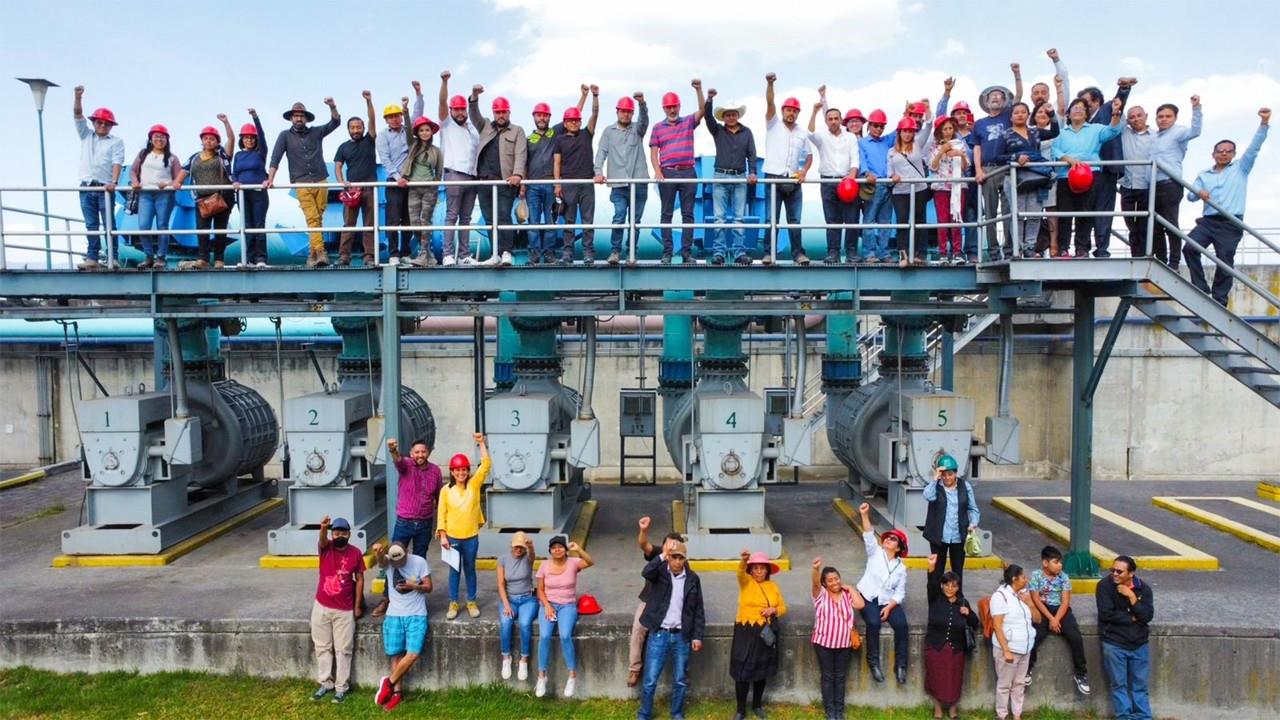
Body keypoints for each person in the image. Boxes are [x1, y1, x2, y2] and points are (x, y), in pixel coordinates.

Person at [1184, 109, 1270, 306]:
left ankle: (1219, 298)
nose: (1223, 154)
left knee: (1225, 261)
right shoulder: (1204, 174)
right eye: (1219, 151)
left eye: (1228, 151)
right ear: (1213, 154)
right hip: (1208, 222)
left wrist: (1264, 123)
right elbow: (1190, 195)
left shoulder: (1241, 168)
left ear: (1233, 154)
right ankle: (1200, 287)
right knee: (1189, 248)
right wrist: (1199, 193)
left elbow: (1254, 148)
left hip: (1230, 222)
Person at [266, 99, 341, 267]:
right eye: (296, 116)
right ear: (291, 118)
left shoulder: (316, 132)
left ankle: (312, 254)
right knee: (312, 217)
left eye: (301, 116)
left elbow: (336, 122)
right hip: (301, 181)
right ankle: (321, 253)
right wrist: (271, 178)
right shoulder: (284, 136)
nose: (299, 118)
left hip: (321, 180)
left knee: (317, 217)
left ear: (306, 119)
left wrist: (332, 106)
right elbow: (275, 158)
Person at [637, 540, 705, 720]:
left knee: (680, 680)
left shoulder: (693, 579)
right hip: (659, 634)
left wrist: (697, 636)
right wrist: (661, 555)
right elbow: (646, 572)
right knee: (650, 680)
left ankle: (676, 713)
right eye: (673, 557)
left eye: (680, 558)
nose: (676, 561)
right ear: (668, 558)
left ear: (685, 560)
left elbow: (698, 610)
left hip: (682, 636)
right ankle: (644, 713)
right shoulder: (659, 573)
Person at [1051, 97, 1124, 257]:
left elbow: (1112, 131)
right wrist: (1067, 159)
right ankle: (1063, 247)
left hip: (1090, 175)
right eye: (1074, 108)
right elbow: (1054, 150)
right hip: (1065, 176)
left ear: (1086, 114)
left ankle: (1081, 248)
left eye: (1081, 108)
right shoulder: (1060, 133)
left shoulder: (1096, 129)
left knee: (1085, 213)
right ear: (1068, 114)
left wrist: (1116, 114)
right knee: (1065, 213)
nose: (1077, 110)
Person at [524, 89, 587, 265]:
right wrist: (523, 185)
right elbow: (523, 162)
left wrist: (584, 95)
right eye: (539, 115)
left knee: (551, 222)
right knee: (533, 222)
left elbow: (573, 116)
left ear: (549, 117)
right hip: (532, 186)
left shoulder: (555, 133)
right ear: (534, 117)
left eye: (545, 115)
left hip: (551, 185)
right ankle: (534, 256)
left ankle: (550, 254)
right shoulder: (528, 139)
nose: (542, 118)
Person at [990, 102, 1059, 257]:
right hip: (1016, 179)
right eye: (1016, 112)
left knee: (1035, 215)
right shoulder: (1005, 135)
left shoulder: (1034, 132)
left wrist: (1051, 114)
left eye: (1023, 112)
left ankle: (1030, 247)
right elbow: (996, 157)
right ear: (1011, 117)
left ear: (1028, 115)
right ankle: (1019, 248)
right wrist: (1015, 157)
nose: (1020, 115)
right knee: (1018, 215)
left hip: (1036, 177)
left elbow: (1054, 132)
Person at [970, 64, 1025, 257]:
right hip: (987, 169)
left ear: (1004, 100)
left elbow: (1018, 96)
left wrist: (1017, 75)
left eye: (999, 95)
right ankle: (993, 251)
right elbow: (976, 148)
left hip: (1007, 167)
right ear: (986, 101)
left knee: (1010, 210)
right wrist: (978, 169)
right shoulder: (979, 124)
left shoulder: (1008, 116)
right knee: (991, 213)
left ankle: (1010, 249)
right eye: (991, 95)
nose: (995, 97)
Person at [650, 80, 706, 264]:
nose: (672, 110)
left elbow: (703, 110)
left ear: (679, 106)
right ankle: (667, 252)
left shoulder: (688, 122)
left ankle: (686, 253)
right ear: (664, 109)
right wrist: (657, 171)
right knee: (666, 213)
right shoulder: (658, 128)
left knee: (688, 214)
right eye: (668, 107)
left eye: (674, 107)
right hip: (668, 173)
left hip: (688, 171)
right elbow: (653, 151)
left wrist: (698, 89)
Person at [309, 515, 364, 704]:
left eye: (343, 533)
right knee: (322, 647)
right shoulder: (326, 549)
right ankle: (325, 683)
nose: (339, 536)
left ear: (349, 534)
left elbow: (360, 579)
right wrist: (323, 528)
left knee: (343, 649)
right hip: (322, 605)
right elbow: (322, 541)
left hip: (345, 609)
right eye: (336, 532)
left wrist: (357, 606)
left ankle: (341, 687)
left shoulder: (356, 553)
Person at [1079, 79, 1138, 257]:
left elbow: (1119, 100)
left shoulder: (1106, 110)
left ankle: (1102, 248)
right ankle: (1083, 248)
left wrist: (1124, 88)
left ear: (1097, 101)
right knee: (1083, 211)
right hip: (1085, 172)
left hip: (1106, 170)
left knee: (1104, 211)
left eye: (1086, 103)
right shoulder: (1080, 120)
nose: (1083, 107)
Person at [471, 87, 528, 266]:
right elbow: (473, 114)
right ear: (493, 113)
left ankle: (506, 252)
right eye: (497, 112)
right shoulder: (485, 126)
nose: (500, 115)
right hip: (484, 181)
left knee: (504, 216)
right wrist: (474, 97)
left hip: (505, 182)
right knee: (489, 219)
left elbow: (521, 153)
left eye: (503, 111)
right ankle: (494, 253)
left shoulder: (517, 130)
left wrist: (518, 174)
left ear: (509, 112)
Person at [853, 502, 909, 684]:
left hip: (887, 600)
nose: (888, 540)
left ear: (899, 548)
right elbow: (869, 535)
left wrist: (890, 606)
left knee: (901, 625)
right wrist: (864, 515)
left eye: (893, 539)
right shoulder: (875, 553)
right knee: (873, 622)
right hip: (868, 596)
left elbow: (900, 593)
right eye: (887, 537)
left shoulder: (901, 568)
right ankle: (873, 661)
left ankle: (901, 665)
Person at [371, 542, 431, 711]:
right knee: (396, 655)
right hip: (394, 614)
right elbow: (381, 560)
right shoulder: (389, 561)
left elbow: (429, 587)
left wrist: (415, 586)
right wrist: (378, 552)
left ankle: (388, 683)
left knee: (413, 654)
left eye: (402, 560)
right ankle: (397, 694)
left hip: (417, 614)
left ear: (406, 552)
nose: (398, 564)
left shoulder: (419, 562)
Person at [437, 432, 490, 619]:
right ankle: (453, 602)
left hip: (471, 536)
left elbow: (486, 465)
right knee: (454, 571)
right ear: (452, 472)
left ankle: (471, 601)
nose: (461, 473)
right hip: (452, 537)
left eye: (464, 470)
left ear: (468, 471)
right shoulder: (445, 490)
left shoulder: (474, 485)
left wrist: (481, 443)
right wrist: (443, 535)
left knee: (470, 569)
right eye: (457, 470)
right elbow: (441, 513)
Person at [762, 73, 813, 265]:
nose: (791, 113)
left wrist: (804, 172)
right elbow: (769, 103)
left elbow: (809, 156)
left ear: (798, 113)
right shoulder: (773, 124)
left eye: (794, 111)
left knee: (794, 220)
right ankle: (769, 254)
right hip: (772, 178)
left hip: (793, 180)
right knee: (771, 219)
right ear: (782, 111)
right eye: (788, 110)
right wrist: (770, 84)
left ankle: (798, 254)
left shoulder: (802, 133)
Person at [73, 85, 126, 270]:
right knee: (91, 224)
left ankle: (114, 257)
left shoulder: (116, 142)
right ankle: (92, 257)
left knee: (109, 225)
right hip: (87, 187)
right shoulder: (86, 136)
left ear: (111, 126)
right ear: (94, 123)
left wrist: (114, 181)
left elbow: (117, 162)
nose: (103, 126)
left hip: (105, 188)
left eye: (107, 124)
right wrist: (78, 96)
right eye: (100, 122)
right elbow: (78, 115)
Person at [534, 536, 595, 698]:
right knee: (545, 635)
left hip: (567, 605)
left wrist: (578, 549)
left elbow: (590, 562)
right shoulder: (544, 565)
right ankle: (542, 676)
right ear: (550, 551)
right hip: (548, 605)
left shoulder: (574, 562)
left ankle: (572, 675)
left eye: (560, 547)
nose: (557, 550)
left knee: (565, 635)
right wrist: (547, 606)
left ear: (565, 549)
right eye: (553, 547)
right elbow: (539, 590)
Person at [594, 92, 650, 265]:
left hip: (639, 183)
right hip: (618, 185)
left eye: (629, 111)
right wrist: (598, 171)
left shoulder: (637, 130)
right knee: (619, 217)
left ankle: (632, 253)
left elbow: (644, 121)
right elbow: (601, 152)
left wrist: (642, 104)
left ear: (632, 113)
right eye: (622, 111)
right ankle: (615, 252)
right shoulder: (608, 132)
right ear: (617, 112)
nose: (625, 114)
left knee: (635, 221)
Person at [1097, 555, 1155, 720]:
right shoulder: (1104, 586)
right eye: (1113, 570)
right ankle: (1124, 716)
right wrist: (1132, 618)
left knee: (1140, 685)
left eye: (1119, 571)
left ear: (1131, 574)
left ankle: (1143, 716)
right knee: (1119, 685)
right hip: (1114, 643)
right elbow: (1106, 614)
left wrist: (1131, 597)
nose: (1114, 574)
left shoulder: (1144, 589)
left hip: (1139, 644)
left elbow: (1147, 615)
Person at [730, 549, 786, 720]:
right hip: (745, 632)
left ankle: (757, 705)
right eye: (755, 568)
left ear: (768, 570)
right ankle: (740, 710)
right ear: (751, 570)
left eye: (762, 568)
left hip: (764, 633)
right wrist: (743, 561)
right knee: (742, 671)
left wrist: (774, 609)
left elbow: (783, 608)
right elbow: (739, 573)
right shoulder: (746, 582)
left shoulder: (773, 587)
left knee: (761, 670)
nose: (759, 571)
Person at [1147, 96, 1203, 268]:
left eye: (1167, 116)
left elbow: (1195, 131)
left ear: (1175, 118)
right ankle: (1161, 259)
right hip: (1153, 185)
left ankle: (1174, 261)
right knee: (1155, 225)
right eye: (1160, 116)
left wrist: (1196, 109)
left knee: (1170, 223)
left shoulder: (1178, 132)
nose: (1163, 119)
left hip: (1170, 183)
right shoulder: (1154, 136)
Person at [629, 516, 685, 687]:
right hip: (650, 600)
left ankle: (683, 670)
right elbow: (643, 545)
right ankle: (634, 668)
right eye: (669, 545)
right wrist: (643, 530)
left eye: (675, 546)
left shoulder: (681, 561)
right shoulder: (658, 555)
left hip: (670, 604)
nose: (671, 549)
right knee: (639, 627)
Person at [704, 89, 758, 265]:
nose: (731, 117)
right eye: (728, 115)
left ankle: (739, 253)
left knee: (738, 218)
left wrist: (753, 172)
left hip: (740, 177)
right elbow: (708, 118)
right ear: (724, 117)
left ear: (738, 116)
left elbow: (752, 155)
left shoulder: (747, 132)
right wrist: (709, 99)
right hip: (720, 176)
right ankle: (718, 253)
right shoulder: (717, 131)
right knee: (719, 218)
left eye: (734, 114)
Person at [1026, 545, 1090, 695]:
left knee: (1075, 637)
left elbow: (1066, 601)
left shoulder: (1064, 577)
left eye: (1060, 562)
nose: (1060, 565)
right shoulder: (1036, 576)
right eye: (1056, 562)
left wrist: (1056, 619)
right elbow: (1035, 599)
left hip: (1061, 611)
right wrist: (1050, 618)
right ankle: (1027, 668)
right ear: (1045, 563)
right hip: (1043, 609)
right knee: (1033, 637)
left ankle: (1081, 674)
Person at [923, 555, 979, 720]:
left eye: (953, 586)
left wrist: (968, 614)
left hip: (956, 648)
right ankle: (938, 709)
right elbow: (931, 583)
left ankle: (953, 709)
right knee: (936, 677)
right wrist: (931, 567)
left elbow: (975, 623)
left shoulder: (962, 602)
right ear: (942, 586)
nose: (949, 588)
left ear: (958, 587)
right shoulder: (935, 598)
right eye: (946, 585)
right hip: (935, 645)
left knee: (955, 678)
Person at [810, 86, 861, 264]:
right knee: (832, 220)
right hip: (828, 182)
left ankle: (852, 253)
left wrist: (852, 176)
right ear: (826, 121)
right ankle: (833, 253)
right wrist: (815, 112)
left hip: (847, 182)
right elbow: (810, 132)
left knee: (852, 219)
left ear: (841, 120)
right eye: (830, 119)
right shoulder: (822, 137)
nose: (833, 121)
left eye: (836, 118)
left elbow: (855, 159)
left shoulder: (851, 137)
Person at [810, 557, 863, 720]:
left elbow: (860, 605)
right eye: (830, 580)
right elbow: (815, 584)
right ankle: (830, 711)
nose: (834, 582)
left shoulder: (847, 594)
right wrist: (816, 569)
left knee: (840, 677)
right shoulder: (821, 595)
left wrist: (850, 587)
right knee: (828, 676)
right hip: (823, 643)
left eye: (836, 578)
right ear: (825, 583)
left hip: (844, 644)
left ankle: (839, 711)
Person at [437, 70, 481, 265]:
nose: (460, 112)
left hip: (472, 176)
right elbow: (441, 103)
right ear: (451, 110)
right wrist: (445, 83)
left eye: (462, 109)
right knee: (451, 215)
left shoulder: (472, 128)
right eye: (456, 109)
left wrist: (475, 98)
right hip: (454, 174)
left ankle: (464, 255)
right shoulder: (446, 124)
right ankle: (447, 254)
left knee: (466, 217)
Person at [922, 454, 979, 602]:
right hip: (938, 537)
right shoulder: (935, 487)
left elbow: (973, 509)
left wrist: (973, 523)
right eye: (944, 475)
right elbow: (927, 496)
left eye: (950, 474)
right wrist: (935, 478)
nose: (947, 478)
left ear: (956, 473)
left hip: (958, 537)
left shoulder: (965, 486)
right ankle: (935, 602)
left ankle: (957, 602)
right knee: (936, 572)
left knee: (957, 572)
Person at [128, 124, 186, 269]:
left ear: (167, 140)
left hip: (164, 194)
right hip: (145, 193)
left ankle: (161, 257)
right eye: (156, 136)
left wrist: (167, 184)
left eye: (162, 137)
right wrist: (135, 182)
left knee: (162, 226)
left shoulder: (172, 158)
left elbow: (178, 177)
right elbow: (133, 171)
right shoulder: (143, 154)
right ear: (151, 138)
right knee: (143, 225)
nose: (159, 139)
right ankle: (148, 256)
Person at [553, 86, 601, 264]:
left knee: (588, 221)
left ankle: (589, 253)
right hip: (568, 184)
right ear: (565, 123)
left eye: (576, 120)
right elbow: (556, 163)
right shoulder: (559, 140)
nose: (574, 123)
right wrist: (558, 185)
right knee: (569, 221)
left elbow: (595, 114)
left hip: (587, 184)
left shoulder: (586, 134)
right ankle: (568, 254)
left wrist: (595, 96)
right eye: (570, 120)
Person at [180, 117, 235, 270]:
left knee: (220, 229)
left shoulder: (222, 156)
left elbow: (231, 138)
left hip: (222, 197)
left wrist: (225, 122)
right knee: (202, 229)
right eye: (206, 138)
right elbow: (183, 171)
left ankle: (219, 260)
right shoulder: (194, 158)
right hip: (203, 199)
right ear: (202, 141)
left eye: (212, 139)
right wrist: (177, 183)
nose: (209, 141)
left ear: (217, 142)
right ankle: (203, 258)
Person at [333, 91, 378, 267]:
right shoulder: (343, 147)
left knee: (370, 225)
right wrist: (341, 181)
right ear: (349, 130)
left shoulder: (369, 140)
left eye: (359, 127)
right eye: (353, 127)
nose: (356, 130)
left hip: (370, 188)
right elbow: (338, 165)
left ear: (363, 128)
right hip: (351, 190)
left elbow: (372, 120)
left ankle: (369, 257)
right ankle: (344, 257)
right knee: (349, 224)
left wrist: (369, 102)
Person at [990, 564, 1039, 720]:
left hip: (1025, 647)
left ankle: (1017, 714)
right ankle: (1002, 715)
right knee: (1004, 684)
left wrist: (1030, 603)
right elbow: (997, 625)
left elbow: (1037, 619)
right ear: (1014, 579)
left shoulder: (1024, 595)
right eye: (1023, 577)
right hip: (1009, 648)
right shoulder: (1000, 596)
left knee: (1019, 684)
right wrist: (1006, 650)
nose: (1026, 579)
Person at [379, 84, 420, 264]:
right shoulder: (382, 136)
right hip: (394, 182)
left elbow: (418, 115)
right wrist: (397, 178)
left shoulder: (409, 132)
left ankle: (405, 253)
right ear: (386, 120)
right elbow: (385, 159)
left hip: (411, 181)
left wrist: (416, 96)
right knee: (393, 219)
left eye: (397, 116)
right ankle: (393, 254)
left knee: (409, 218)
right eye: (391, 117)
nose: (395, 119)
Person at [399, 115, 444, 267]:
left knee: (426, 220)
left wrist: (435, 186)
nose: (425, 133)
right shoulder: (413, 145)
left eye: (427, 130)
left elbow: (439, 172)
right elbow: (407, 129)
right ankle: (426, 253)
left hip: (429, 189)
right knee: (414, 222)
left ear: (431, 132)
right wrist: (405, 109)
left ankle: (424, 252)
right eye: (422, 130)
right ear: (417, 132)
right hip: (413, 188)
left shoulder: (436, 151)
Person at [387, 438, 443, 559]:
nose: (420, 455)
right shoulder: (406, 465)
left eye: (423, 452)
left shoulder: (435, 471)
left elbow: (440, 497)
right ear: (411, 453)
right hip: (404, 523)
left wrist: (442, 524)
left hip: (425, 523)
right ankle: (395, 579)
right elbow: (398, 460)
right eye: (417, 452)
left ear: (428, 452)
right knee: (396, 556)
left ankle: (415, 578)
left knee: (420, 558)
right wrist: (393, 450)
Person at [887, 116, 932, 265]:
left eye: (910, 131)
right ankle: (904, 255)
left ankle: (919, 254)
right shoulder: (891, 152)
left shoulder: (918, 144)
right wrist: (893, 176)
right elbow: (889, 172)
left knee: (919, 221)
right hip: (900, 190)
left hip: (919, 189)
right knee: (902, 222)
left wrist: (928, 111)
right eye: (904, 131)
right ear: (899, 132)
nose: (907, 134)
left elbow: (928, 127)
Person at [497, 530, 537, 683]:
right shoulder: (502, 559)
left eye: (521, 547)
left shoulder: (528, 558)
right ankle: (506, 656)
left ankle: (524, 659)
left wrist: (531, 546)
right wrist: (506, 604)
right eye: (516, 546)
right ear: (511, 546)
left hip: (527, 598)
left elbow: (532, 556)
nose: (518, 549)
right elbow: (501, 584)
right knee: (506, 622)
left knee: (525, 623)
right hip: (510, 599)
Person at [231, 109, 270, 267]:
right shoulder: (238, 155)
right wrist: (235, 182)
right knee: (246, 226)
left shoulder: (261, 152)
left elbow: (262, 135)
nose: (249, 140)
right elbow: (234, 173)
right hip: (242, 195)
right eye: (246, 137)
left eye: (252, 138)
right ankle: (248, 259)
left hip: (259, 194)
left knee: (258, 225)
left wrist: (255, 118)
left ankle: (261, 259)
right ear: (242, 139)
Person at [929, 117, 969, 265]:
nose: (947, 132)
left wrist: (961, 155)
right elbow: (932, 167)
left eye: (950, 128)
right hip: (941, 188)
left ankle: (957, 252)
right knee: (942, 220)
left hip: (958, 186)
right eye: (944, 129)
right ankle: (943, 253)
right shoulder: (934, 147)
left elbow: (966, 167)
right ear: (940, 131)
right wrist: (941, 152)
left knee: (956, 219)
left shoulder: (960, 145)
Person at [859, 109, 896, 263]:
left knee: (886, 222)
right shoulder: (862, 143)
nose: (879, 129)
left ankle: (884, 253)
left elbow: (898, 131)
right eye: (876, 125)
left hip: (887, 185)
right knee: (869, 220)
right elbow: (861, 160)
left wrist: (907, 113)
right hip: (872, 186)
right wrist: (867, 173)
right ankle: (869, 254)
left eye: (881, 126)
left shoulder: (886, 141)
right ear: (869, 125)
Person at [1118, 104, 1154, 259]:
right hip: (1127, 184)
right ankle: (1136, 256)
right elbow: (1117, 116)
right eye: (1131, 117)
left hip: (1147, 186)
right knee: (1130, 224)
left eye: (1139, 115)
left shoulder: (1156, 136)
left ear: (1146, 115)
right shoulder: (1124, 133)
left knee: (1145, 224)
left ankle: (1146, 255)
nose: (1136, 119)